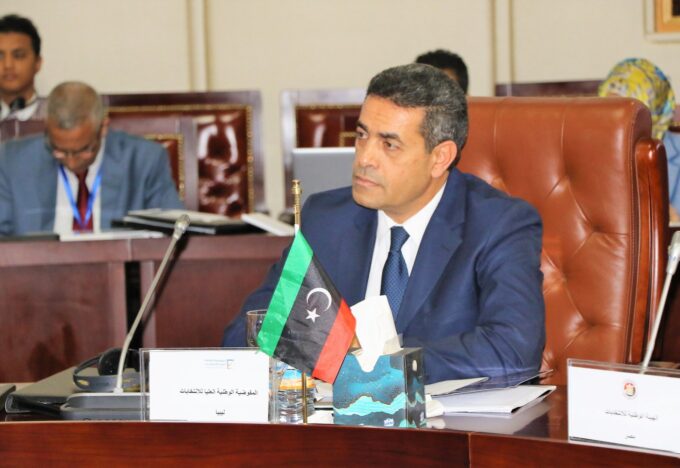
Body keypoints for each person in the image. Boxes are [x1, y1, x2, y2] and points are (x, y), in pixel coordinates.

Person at [222, 64, 545, 384]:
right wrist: (325, 351)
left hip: (448, 414)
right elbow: (246, 333)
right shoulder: (326, 219)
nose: (364, 158)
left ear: (440, 158)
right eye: (362, 136)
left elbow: (514, 350)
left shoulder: (498, 224)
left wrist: (378, 362)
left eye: (389, 144)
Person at [0, 81, 183, 236]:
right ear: (47, 127)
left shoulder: (144, 160)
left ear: (103, 127)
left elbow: (173, 233)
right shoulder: (12, 161)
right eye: (60, 150)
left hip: (117, 266)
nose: (71, 162)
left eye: (83, 150)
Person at [599, 58, 680, 221]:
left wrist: (673, 223)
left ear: (652, 110)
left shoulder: (675, 152)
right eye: (607, 109)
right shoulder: (595, 152)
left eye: (624, 111)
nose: (613, 121)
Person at [0, 14, 45, 121]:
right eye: (0, 56)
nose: (8, 65)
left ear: (37, 63)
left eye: (18, 55)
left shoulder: (57, 117)